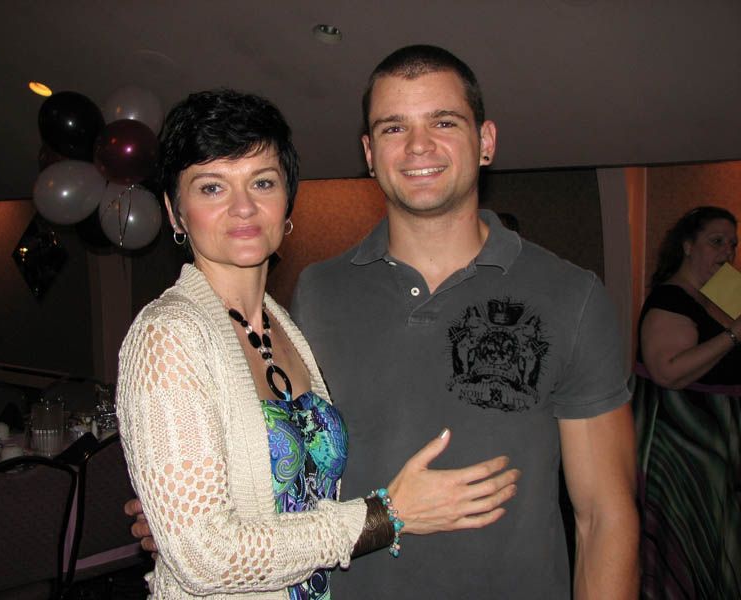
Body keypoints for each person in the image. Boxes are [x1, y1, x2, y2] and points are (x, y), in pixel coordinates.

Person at [116, 89, 520, 599]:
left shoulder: (286, 324)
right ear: (176, 213)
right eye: (212, 188)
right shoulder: (168, 336)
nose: (243, 207)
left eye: (262, 182)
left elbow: (300, 493)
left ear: (288, 202)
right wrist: (388, 515)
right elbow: (205, 558)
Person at [289, 45, 639, 598]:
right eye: (393, 128)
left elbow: (605, 516)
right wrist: (196, 505)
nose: (418, 146)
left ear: (486, 141)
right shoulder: (317, 292)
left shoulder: (572, 295)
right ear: (369, 153)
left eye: (443, 121)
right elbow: (286, 453)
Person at [633, 205, 741, 598]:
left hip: (718, 453)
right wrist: (733, 334)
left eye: (732, 244)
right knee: (685, 552)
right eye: (716, 242)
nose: (727, 252)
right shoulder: (670, 300)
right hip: (684, 451)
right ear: (687, 246)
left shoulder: (725, 295)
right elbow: (668, 372)